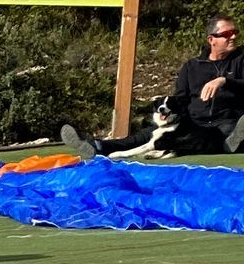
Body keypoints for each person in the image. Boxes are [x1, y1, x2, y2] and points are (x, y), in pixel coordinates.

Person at [62, 16, 244, 161]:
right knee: (148, 135)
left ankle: (228, 144)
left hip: (226, 121)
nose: (234, 36)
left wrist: (225, 80)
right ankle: (97, 146)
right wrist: (169, 116)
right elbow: (180, 98)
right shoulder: (191, 66)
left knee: (226, 132)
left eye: (235, 32)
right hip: (192, 122)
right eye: (228, 33)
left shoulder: (241, 60)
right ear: (211, 39)